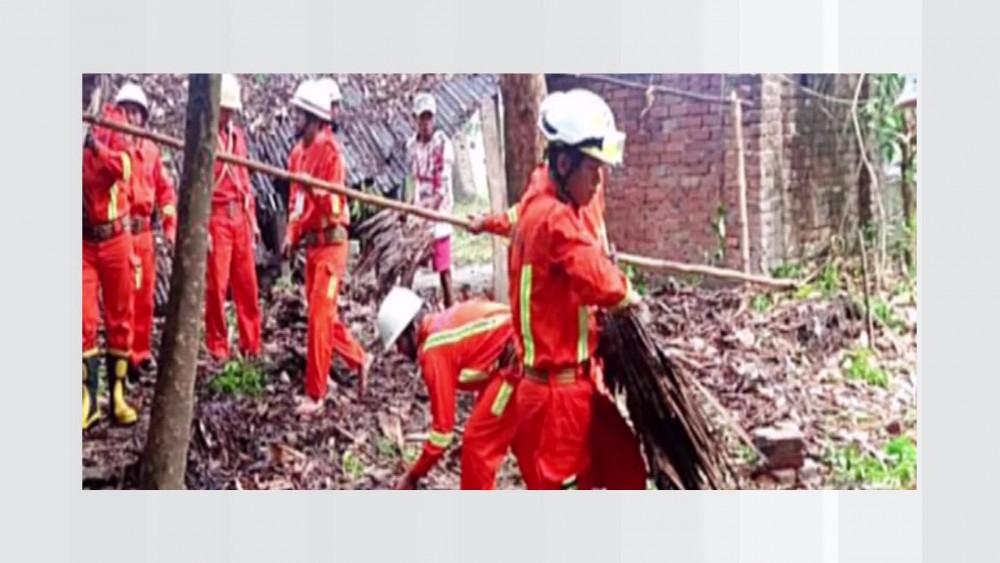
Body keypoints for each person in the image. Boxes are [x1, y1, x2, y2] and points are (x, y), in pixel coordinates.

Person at [505, 89, 644, 490]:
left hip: (569, 384)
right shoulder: (556, 219)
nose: (598, 182)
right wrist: (631, 297)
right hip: (557, 397)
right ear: (564, 164)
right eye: (593, 170)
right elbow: (601, 281)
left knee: (623, 467)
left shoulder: (537, 200)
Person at [376, 287, 535, 489]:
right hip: (519, 352)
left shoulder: (434, 352)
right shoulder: (441, 326)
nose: (400, 351)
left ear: (413, 329)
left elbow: (442, 433)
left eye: (399, 342)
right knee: (520, 438)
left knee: (478, 442)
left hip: (515, 362)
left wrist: (413, 475)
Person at [282, 78, 370, 416]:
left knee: (319, 317)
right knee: (324, 316)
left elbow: (335, 207)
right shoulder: (296, 155)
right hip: (312, 246)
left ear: (314, 119)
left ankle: (316, 393)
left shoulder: (331, 153)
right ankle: (359, 358)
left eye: (299, 114)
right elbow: (296, 202)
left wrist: (314, 189)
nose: (294, 119)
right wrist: (291, 234)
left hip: (332, 246)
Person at [82, 80, 139, 429]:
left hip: (115, 237)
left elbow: (126, 168)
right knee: (83, 320)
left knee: (120, 318)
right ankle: (88, 399)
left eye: (89, 81)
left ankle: (118, 395)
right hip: (83, 242)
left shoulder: (113, 122)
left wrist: (95, 146)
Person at [114, 82, 177, 378]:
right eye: (125, 111)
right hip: (121, 233)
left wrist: (169, 226)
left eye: (135, 112)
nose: (131, 117)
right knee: (123, 297)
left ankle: (140, 353)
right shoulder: (112, 150)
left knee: (145, 298)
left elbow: (165, 191)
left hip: (145, 234)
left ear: (143, 117)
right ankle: (122, 354)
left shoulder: (151, 151)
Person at [204, 74, 263, 363]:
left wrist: (252, 222)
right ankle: (217, 346)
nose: (227, 115)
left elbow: (245, 182)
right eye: (224, 109)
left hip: (239, 215)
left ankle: (251, 345)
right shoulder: (206, 137)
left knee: (247, 284)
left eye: (230, 110)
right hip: (217, 218)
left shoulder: (237, 137)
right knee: (216, 286)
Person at [405, 93, 456, 308]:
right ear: (415, 119)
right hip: (420, 210)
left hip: (439, 213)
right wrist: (410, 207)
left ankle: (451, 310)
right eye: (421, 118)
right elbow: (413, 180)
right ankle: (405, 311)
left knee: (444, 270)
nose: (425, 123)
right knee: (407, 265)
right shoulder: (411, 146)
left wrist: (423, 210)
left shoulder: (442, 145)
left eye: (429, 118)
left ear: (434, 118)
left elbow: (440, 191)